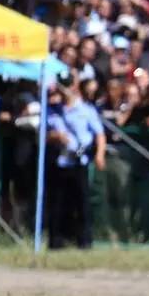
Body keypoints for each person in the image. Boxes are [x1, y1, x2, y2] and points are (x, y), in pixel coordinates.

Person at [45, 81, 105, 249]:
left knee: (82, 203)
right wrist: (54, 136)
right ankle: (56, 241)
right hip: (60, 161)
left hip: (80, 161)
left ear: (74, 88)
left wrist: (100, 154)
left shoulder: (86, 110)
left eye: (67, 86)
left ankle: (84, 241)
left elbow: (99, 134)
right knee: (58, 204)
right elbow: (42, 136)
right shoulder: (52, 110)